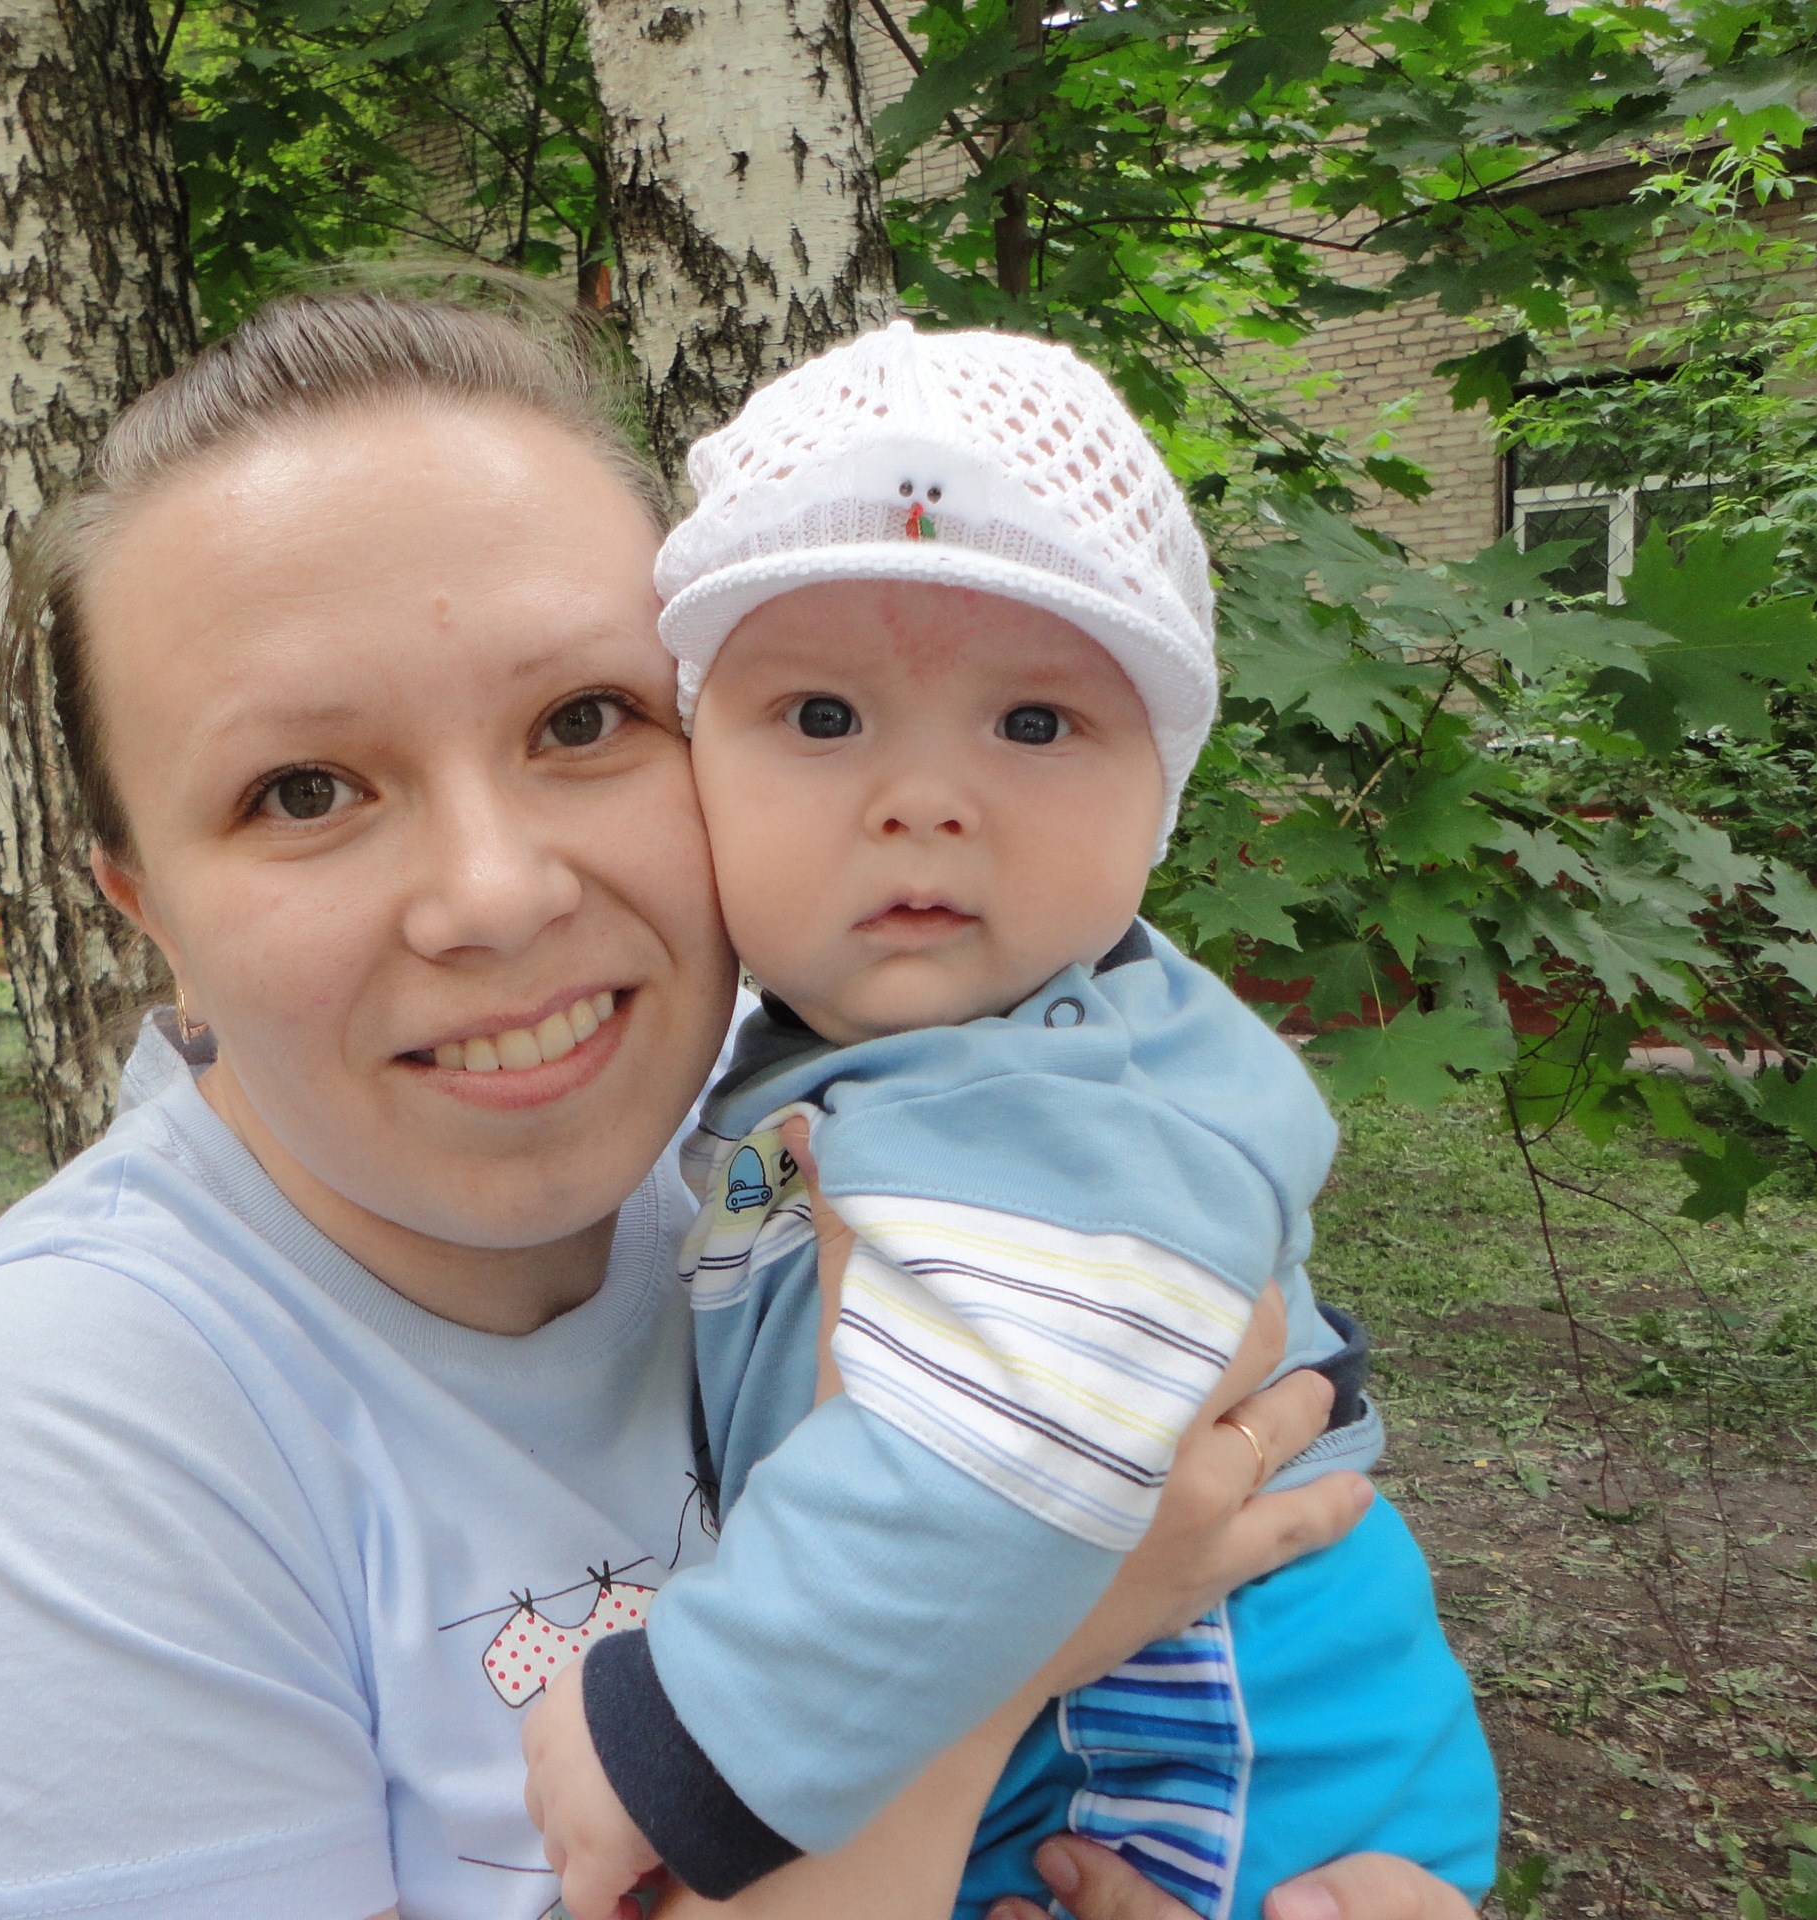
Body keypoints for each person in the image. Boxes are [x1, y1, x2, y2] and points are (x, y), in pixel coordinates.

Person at [0, 286, 1482, 1920]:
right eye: (302, 791)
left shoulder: (799, 1162)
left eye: (584, 719)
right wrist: (995, 1655)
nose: (493, 895)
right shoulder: (47, 1452)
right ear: (146, 913)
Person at [520, 325, 1496, 1920]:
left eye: (1034, 725)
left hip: (1195, 1764)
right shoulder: (841, 1064)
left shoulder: (1070, 1095)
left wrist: (688, 1731)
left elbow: (1005, 1436)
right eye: (820, 717)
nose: (924, 798)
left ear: (1159, 794)